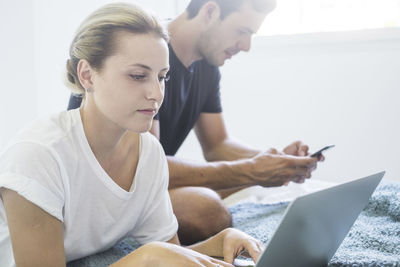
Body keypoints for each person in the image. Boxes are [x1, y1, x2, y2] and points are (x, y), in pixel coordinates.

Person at [0, 3, 264, 267]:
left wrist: (220, 242)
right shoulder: (38, 155)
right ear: (87, 75)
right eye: (138, 76)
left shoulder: (148, 152)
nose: (157, 94)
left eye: (162, 77)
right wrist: (147, 257)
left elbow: (173, 252)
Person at [68, 0, 321, 245]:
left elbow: (218, 145)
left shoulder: (206, 67)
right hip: (111, 188)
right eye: (242, 31)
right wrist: (251, 170)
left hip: (144, 184)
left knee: (217, 196)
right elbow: (143, 167)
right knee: (206, 207)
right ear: (210, 11)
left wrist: (274, 162)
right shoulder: (145, 51)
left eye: (163, 77)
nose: (246, 46)